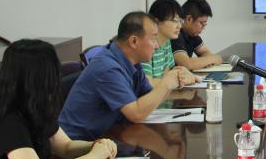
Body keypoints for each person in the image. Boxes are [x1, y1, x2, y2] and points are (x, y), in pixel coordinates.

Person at [59, 12, 197, 141]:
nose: (156, 46)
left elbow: (149, 96)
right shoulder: (108, 68)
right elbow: (136, 114)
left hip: (108, 136)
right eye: (154, 38)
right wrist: (166, 83)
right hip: (77, 145)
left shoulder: (132, 61)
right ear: (133, 41)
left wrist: (175, 80)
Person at [142, 0, 198, 81]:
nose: (179, 26)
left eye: (180, 21)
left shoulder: (167, 42)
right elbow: (148, 84)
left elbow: (169, 72)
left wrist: (182, 73)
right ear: (157, 22)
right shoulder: (146, 46)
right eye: (175, 21)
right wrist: (178, 79)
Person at [173, 0, 222, 71]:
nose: (203, 27)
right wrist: (214, 58)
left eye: (205, 24)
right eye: (202, 23)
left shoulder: (193, 35)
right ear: (189, 19)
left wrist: (206, 60)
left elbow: (205, 52)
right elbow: (187, 64)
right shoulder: (176, 34)